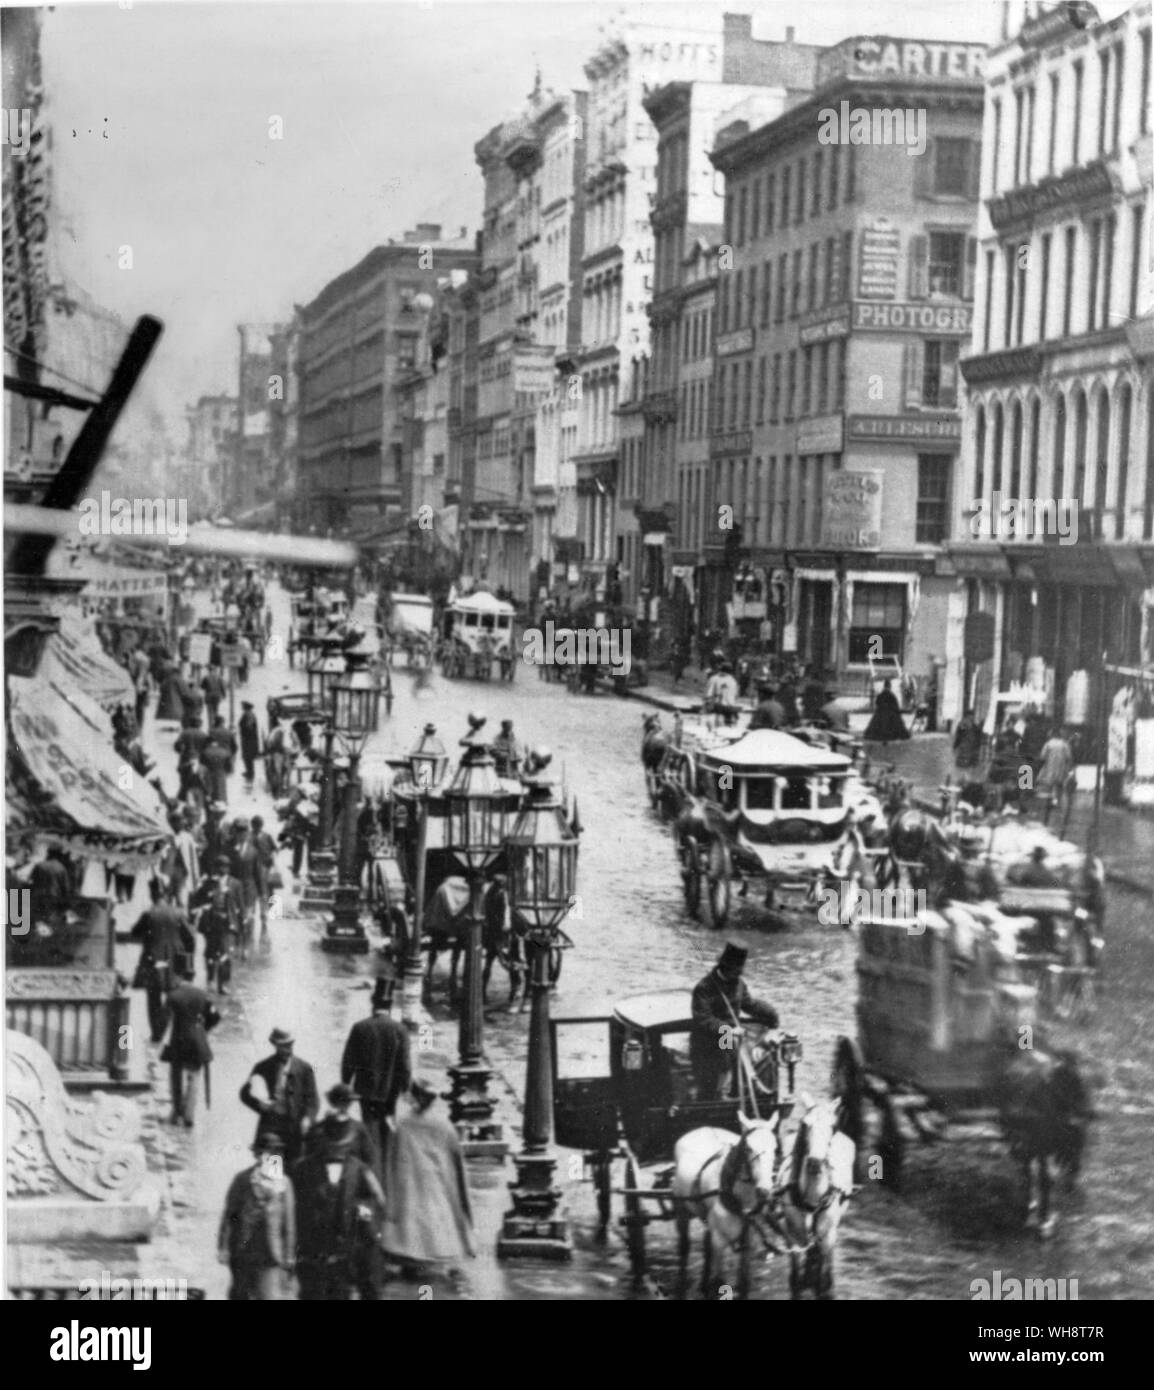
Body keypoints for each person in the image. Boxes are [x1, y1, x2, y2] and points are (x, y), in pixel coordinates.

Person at [381, 1077, 476, 1280]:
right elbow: (455, 1161)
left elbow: (392, 1158)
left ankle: (412, 1259)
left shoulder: (403, 1124)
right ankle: (435, 1259)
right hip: (436, 1184)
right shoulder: (444, 1125)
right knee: (437, 1218)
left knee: (411, 1220)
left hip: (410, 1185)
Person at [293, 1135, 386, 1300]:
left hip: (346, 1250)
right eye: (332, 1143)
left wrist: (363, 1210)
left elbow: (377, 1198)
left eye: (341, 1145)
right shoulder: (304, 1168)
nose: (336, 1150)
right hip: (313, 1253)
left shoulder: (358, 1168)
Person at [690, 943, 779, 1101]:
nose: (738, 974)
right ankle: (719, 1099)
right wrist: (728, 1030)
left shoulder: (738, 983)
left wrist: (772, 1016)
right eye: (735, 971)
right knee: (715, 1079)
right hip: (708, 1042)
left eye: (739, 971)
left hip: (729, 1039)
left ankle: (736, 1095)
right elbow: (703, 1019)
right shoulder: (704, 988)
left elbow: (749, 1004)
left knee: (740, 1064)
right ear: (725, 967)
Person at [340, 976, 411, 1170]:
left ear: (373, 1003)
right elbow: (404, 1065)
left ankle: (370, 1165)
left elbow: (348, 1061)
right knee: (387, 1126)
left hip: (365, 1091)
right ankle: (385, 1165)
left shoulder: (360, 1027)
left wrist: (346, 1084)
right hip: (390, 1092)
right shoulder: (400, 1030)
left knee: (368, 1126)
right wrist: (405, 1088)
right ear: (391, 1004)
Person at [218, 1133, 296, 1301]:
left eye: (274, 1153)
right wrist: (223, 1247)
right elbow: (229, 1215)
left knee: (268, 1295)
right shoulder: (243, 1179)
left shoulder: (284, 1183)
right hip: (244, 1248)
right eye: (264, 1153)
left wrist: (289, 1255)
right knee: (239, 1293)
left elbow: (289, 1224)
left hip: (271, 1252)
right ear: (257, 1155)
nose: (268, 1158)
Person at [240, 1028, 319, 1164]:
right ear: (275, 1045)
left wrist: (307, 1118)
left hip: (295, 1129)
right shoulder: (263, 1067)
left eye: (290, 1044)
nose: (288, 1049)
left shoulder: (304, 1068)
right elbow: (244, 1094)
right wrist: (259, 1105)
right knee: (273, 1169)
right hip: (271, 1127)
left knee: (294, 1169)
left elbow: (312, 1100)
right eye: (284, 1045)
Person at [131, 882, 197, 1043]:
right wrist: (187, 956)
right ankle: (162, 1027)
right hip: (174, 962)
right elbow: (191, 938)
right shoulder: (178, 913)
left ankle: (156, 1032)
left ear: (152, 895)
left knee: (152, 998)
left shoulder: (149, 913)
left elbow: (135, 933)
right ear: (167, 895)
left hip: (152, 961)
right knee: (172, 995)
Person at [162, 964, 220, 1127]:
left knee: (176, 1077)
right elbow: (215, 1017)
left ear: (179, 976)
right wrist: (203, 1029)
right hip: (197, 1040)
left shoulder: (172, 996)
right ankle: (189, 1115)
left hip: (178, 1040)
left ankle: (177, 1112)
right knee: (194, 1077)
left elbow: (163, 1020)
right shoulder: (203, 995)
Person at [307, 1083, 378, 1170]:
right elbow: (370, 1159)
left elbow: (309, 1159)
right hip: (350, 1175)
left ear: (331, 1102)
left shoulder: (317, 1128)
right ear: (350, 1104)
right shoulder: (359, 1128)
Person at [1036, 727, 1074, 824]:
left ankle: (1050, 804)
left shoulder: (1048, 744)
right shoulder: (1065, 744)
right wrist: (1069, 768)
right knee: (1060, 786)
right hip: (1061, 769)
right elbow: (1069, 757)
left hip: (1049, 768)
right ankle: (1057, 803)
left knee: (1049, 787)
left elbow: (1042, 756)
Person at [239, 701, 261, 785]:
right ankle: (249, 771)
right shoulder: (248, 714)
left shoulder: (249, 714)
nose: (241, 707)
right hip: (248, 739)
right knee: (247, 757)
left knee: (248, 757)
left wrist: (245, 734)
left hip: (249, 740)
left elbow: (249, 727)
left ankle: (250, 773)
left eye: (243, 706)